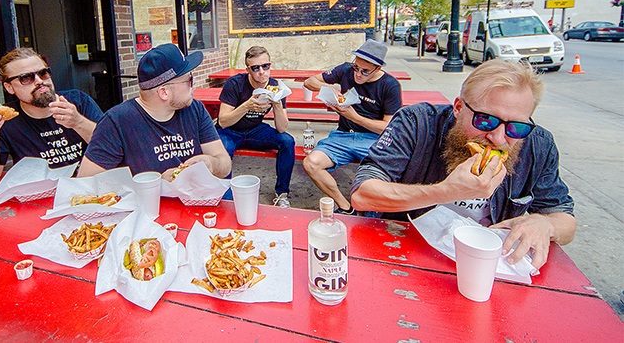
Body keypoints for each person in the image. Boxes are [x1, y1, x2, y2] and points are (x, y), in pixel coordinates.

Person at [350, 59, 576, 270]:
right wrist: (446, 191)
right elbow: (363, 194)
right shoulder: (417, 123)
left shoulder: (538, 145)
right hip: (404, 251)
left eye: (515, 127)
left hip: (485, 264)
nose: (497, 138)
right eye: (485, 120)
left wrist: (544, 225)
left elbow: (564, 218)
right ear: (458, 108)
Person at [78, 43, 231, 179]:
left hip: (196, 203)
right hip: (146, 208)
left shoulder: (194, 109)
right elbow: (86, 182)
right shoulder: (117, 122)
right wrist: (157, 184)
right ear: (164, 92)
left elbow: (225, 164)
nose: (193, 84)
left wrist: (212, 163)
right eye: (189, 80)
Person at [0, 47, 104, 192]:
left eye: (43, 73)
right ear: (9, 88)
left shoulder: (78, 101)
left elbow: (113, 146)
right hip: (38, 198)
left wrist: (78, 122)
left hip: (89, 189)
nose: (39, 81)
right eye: (26, 78)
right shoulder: (5, 120)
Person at [302, 39, 402, 213]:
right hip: (343, 135)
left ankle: (370, 215)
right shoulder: (346, 69)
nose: (358, 74)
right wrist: (327, 87)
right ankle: (345, 206)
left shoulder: (390, 85)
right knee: (311, 163)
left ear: (378, 69)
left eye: (365, 71)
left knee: (382, 175)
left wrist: (355, 117)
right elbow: (309, 82)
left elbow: (388, 127)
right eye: (356, 68)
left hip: (373, 139)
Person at [216, 46, 294, 207]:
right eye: (256, 68)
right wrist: (247, 106)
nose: (262, 72)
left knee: (287, 141)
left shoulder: (276, 87)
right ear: (248, 70)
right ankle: (225, 198)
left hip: (254, 129)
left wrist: (277, 104)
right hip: (230, 131)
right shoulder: (235, 84)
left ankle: (282, 194)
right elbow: (223, 121)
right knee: (222, 149)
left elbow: (282, 128)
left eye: (265, 66)